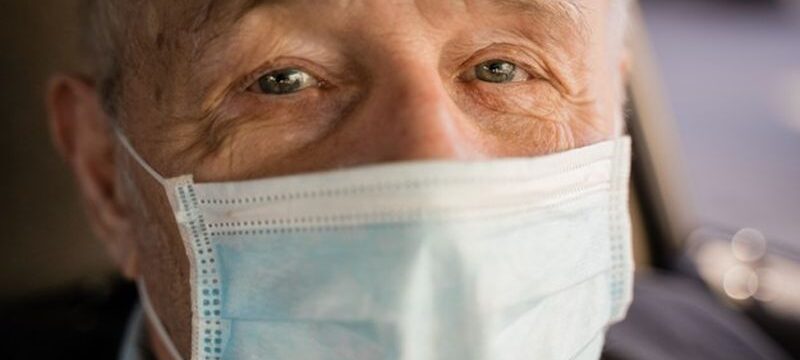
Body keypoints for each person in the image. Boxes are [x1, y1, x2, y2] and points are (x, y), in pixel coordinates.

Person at [43, 0, 792, 359]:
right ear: (108, 177)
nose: (432, 162)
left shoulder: (715, 344)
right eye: (282, 80)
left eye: (503, 70)